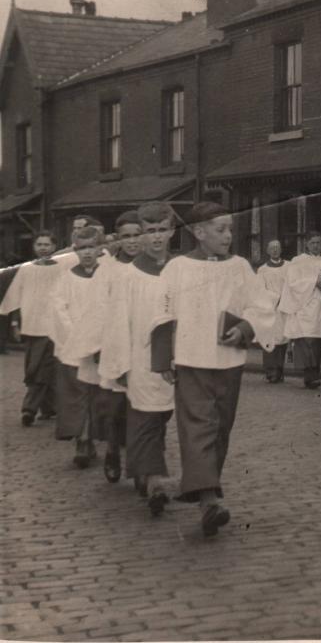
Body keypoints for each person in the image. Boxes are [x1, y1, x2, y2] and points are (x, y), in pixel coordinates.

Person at [150, 202, 277, 537]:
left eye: (231, 229)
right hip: (192, 361)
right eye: (220, 229)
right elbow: (161, 313)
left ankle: (205, 489)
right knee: (198, 429)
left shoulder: (239, 267)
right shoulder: (178, 269)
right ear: (199, 232)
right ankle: (208, 501)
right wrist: (162, 359)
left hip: (228, 362)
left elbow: (261, 304)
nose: (228, 236)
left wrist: (246, 328)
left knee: (220, 428)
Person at [99, 202, 178, 516]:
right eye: (149, 232)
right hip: (140, 357)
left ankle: (144, 468)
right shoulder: (128, 276)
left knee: (161, 419)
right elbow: (117, 321)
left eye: (161, 230)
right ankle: (155, 481)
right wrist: (119, 364)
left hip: (177, 360)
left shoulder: (181, 269)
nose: (156, 238)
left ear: (172, 231)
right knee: (145, 418)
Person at [92, 211, 143, 484]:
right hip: (114, 344)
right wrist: (99, 344)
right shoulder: (108, 269)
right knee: (114, 407)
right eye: (126, 236)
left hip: (145, 347)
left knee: (143, 409)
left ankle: (140, 465)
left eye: (137, 235)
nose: (132, 241)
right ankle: (112, 449)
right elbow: (98, 309)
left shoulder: (154, 266)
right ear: (118, 239)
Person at [52, 226, 108, 469]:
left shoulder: (107, 276)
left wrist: (99, 338)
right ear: (75, 250)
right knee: (76, 394)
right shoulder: (65, 278)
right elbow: (58, 309)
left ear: (100, 249)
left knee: (96, 395)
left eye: (92, 248)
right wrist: (76, 335)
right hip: (73, 345)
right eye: (82, 248)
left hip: (100, 345)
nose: (87, 253)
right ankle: (82, 439)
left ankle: (91, 437)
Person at [0, 231, 62, 426]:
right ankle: (48, 407)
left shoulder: (62, 268)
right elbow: (16, 297)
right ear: (34, 247)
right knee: (35, 365)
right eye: (39, 244)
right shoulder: (26, 269)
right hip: (32, 324)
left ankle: (30, 408)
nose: (43, 248)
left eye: (47, 244)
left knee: (45, 366)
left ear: (54, 247)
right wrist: (15, 323)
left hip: (55, 325)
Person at [278, 232, 321, 389]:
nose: (316, 245)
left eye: (319, 242)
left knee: (319, 342)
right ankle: (310, 375)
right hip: (304, 306)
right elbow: (293, 282)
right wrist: (314, 281)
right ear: (307, 244)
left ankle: (315, 371)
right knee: (306, 342)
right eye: (313, 243)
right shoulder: (298, 261)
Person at [257, 240, 289, 383]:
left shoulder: (289, 267)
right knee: (270, 339)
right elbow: (259, 289)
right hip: (270, 307)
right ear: (268, 251)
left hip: (285, 306)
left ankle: (280, 369)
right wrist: (274, 299)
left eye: (277, 247)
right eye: (272, 248)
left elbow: (291, 285)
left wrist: (285, 299)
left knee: (282, 338)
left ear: (281, 249)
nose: (275, 250)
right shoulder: (262, 270)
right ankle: (271, 371)